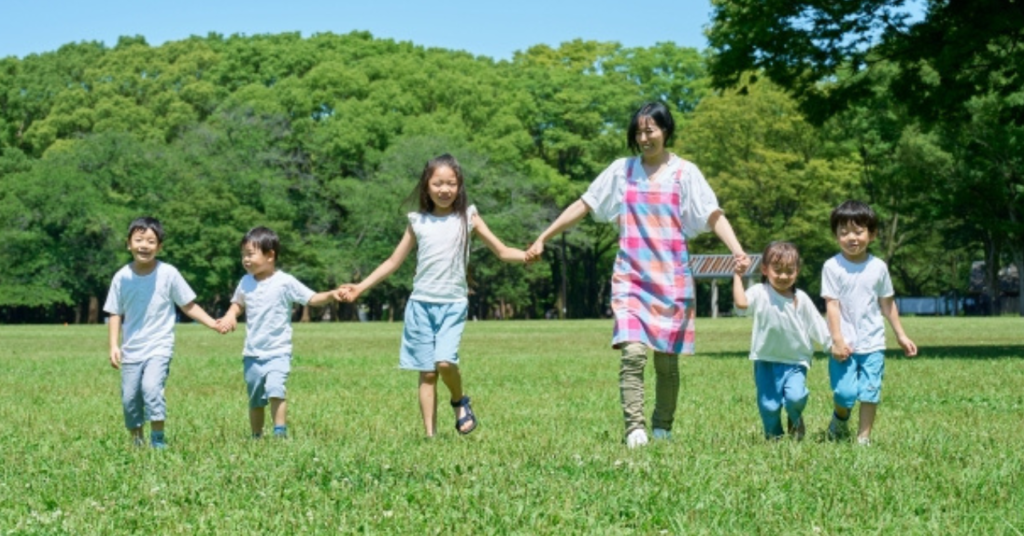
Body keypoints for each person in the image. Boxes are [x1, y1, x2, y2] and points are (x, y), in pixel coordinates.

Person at [525, 101, 749, 448]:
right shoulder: (622, 171)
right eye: (639, 132)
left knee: (666, 363)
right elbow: (584, 204)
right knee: (632, 353)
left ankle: (662, 427)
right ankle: (635, 428)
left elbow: (712, 213)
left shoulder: (685, 173)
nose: (644, 138)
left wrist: (737, 250)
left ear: (665, 131)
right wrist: (544, 236)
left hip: (672, 280)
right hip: (631, 278)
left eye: (650, 131)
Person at [338, 153, 527, 438]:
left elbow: (501, 251)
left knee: (445, 362)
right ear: (426, 186)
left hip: (453, 304)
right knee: (427, 372)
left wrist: (526, 255)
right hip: (421, 305)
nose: (444, 189)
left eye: (451, 183)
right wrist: (360, 287)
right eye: (438, 183)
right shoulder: (417, 221)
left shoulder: (468, 217)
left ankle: (459, 400)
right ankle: (430, 435)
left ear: (459, 186)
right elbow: (393, 261)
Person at [104, 216, 221, 449]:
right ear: (128, 244)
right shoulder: (122, 277)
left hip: (159, 346)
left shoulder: (168, 273)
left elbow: (187, 304)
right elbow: (115, 312)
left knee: (151, 388)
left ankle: (157, 439)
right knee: (129, 398)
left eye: (151, 241)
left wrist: (212, 323)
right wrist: (114, 345)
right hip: (131, 349)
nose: (144, 246)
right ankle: (137, 441)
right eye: (139, 240)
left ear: (159, 247)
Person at [217, 226, 340, 439]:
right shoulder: (245, 282)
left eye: (250, 254)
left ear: (270, 255)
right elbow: (237, 304)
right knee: (255, 398)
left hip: (278, 351)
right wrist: (230, 316)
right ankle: (256, 435)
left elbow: (311, 298)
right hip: (252, 353)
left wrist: (331, 294)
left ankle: (279, 432)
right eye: (243, 255)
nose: (245, 259)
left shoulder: (285, 282)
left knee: (276, 389)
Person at [822, 200, 918, 446]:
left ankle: (863, 439)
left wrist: (901, 335)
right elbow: (832, 306)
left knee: (870, 392)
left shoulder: (878, 267)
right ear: (836, 235)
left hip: (873, 342)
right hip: (844, 343)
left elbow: (887, 304)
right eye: (844, 232)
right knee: (844, 394)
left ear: (872, 234)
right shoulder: (832, 267)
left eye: (858, 231)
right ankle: (840, 418)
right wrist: (837, 340)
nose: (851, 238)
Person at [733, 242, 830, 440]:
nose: (784, 276)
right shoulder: (760, 292)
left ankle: (795, 418)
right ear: (765, 269)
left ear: (797, 271)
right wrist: (737, 276)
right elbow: (742, 304)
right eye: (777, 270)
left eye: (789, 271)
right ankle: (774, 437)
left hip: (796, 361)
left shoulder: (801, 298)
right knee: (769, 406)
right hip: (766, 360)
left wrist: (833, 345)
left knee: (796, 397)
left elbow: (817, 325)